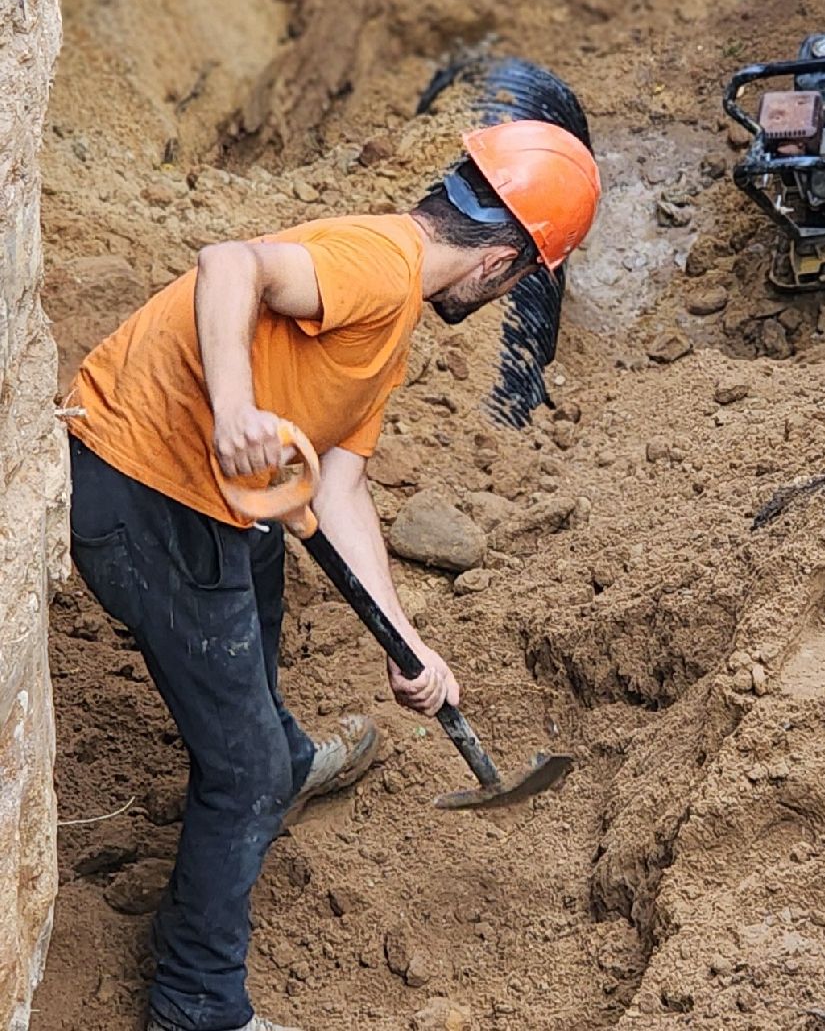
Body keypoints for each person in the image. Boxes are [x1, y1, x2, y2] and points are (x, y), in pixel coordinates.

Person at [62, 120, 600, 1031]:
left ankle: (287, 756)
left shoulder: (388, 322)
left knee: (267, 576)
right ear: (503, 261)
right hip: (143, 489)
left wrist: (407, 640)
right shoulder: (377, 264)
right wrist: (234, 408)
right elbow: (230, 260)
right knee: (240, 775)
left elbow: (341, 487)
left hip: (224, 498)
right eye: (520, 281)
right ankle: (197, 1004)